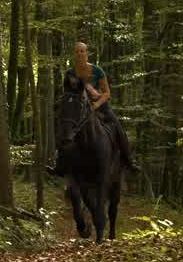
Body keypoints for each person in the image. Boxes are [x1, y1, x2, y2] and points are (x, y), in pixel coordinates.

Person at [57, 41, 138, 176]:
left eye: (82, 51)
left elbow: (107, 93)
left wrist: (96, 104)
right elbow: (68, 94)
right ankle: (59, 163)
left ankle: (128, 161)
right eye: (77, 51)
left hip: (99, 105)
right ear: (74, 54)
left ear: (87, 53)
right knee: (63, 125)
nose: (80, 54)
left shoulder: (97, 71)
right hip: (78, 107)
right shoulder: (70, 73)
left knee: (117, 126)